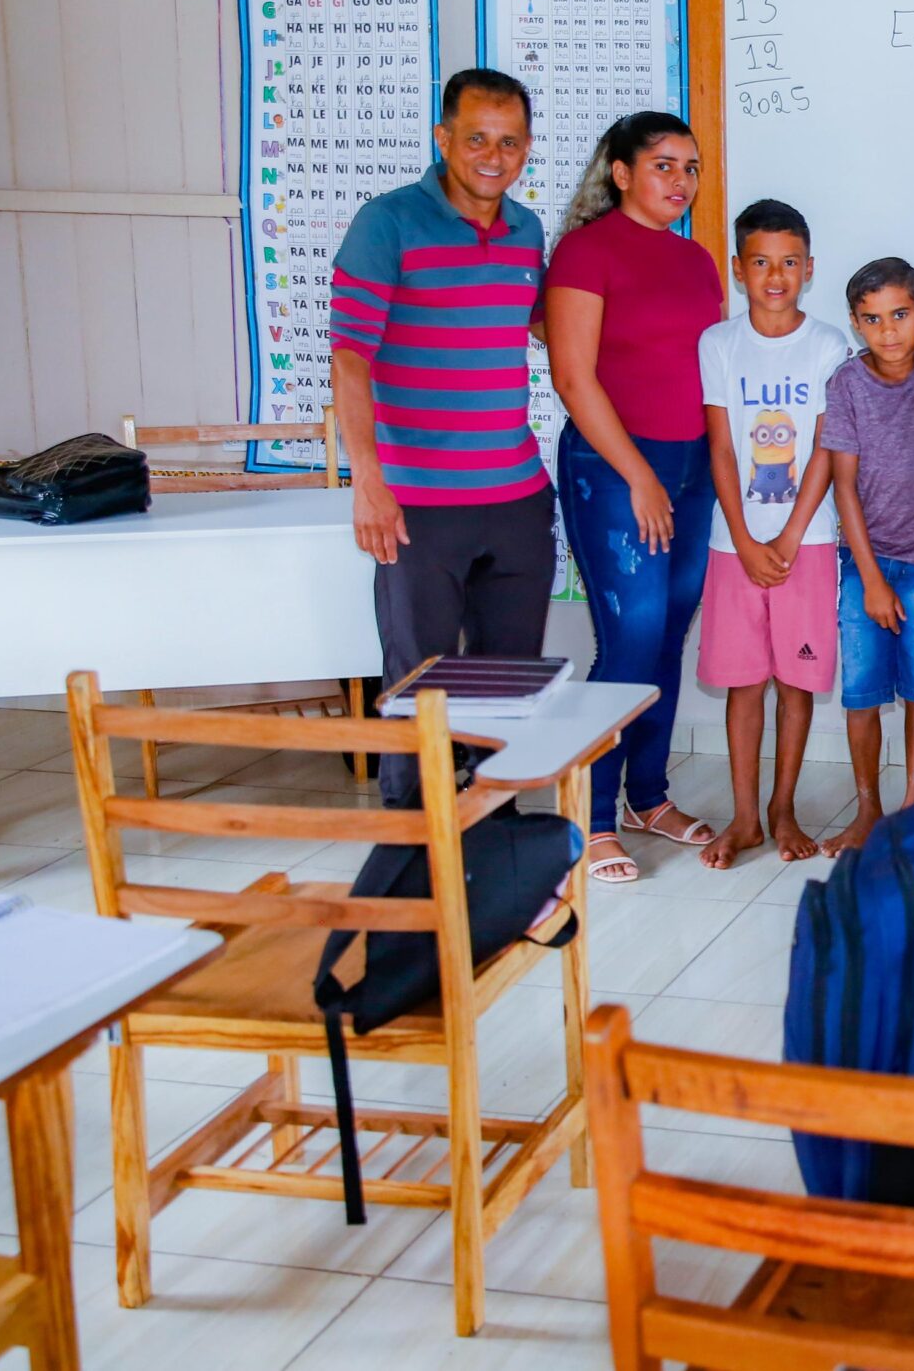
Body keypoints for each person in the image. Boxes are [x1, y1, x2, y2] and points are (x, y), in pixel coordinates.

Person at [329, 67, 553, 810]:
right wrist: (368, 481)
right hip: (417, 503)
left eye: (510, 142)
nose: (494, 156)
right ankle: (415, 840)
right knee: (417, 687)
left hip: (517, 496)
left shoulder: (526, 231)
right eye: (477, 138)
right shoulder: (387, 223)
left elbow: (542, 329)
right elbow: (350, 358)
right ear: (443, 139)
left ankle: (495, 833)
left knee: (506, 685)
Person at [542, 112, 723, 883]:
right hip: (615, 465)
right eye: (663, 165)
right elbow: (573, 377)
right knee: (630, 638)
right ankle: (591, 817)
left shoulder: (697, 260)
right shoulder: (587, 251)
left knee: (668, 632)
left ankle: (648, 795)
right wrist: (639, 475)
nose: (681, 180)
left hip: (692, 467)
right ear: (620, 173)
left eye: (691, 167)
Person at [695, 198, 853, 867]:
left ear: (809, 269)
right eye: (760, 262)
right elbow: (722, 449)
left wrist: (787, 538)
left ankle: (782, 809)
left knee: (796, 682)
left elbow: (824, 448)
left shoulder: (828, 345)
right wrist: (744, 536)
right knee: (743, 683)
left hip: (806, 544)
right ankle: (744, 817)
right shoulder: (718, 344)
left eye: (790, 262)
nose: (776, 276)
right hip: (732, 544)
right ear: (738, 269)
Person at [823, 257, 914, 853]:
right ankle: (868, 809)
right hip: (865, 564)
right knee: (862, 693)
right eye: (872, 319)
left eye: (900, 315)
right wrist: (872, 578)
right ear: (856, 323)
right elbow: (843, 486)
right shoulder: (847, 385)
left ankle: (911, 807)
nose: (888, 330)